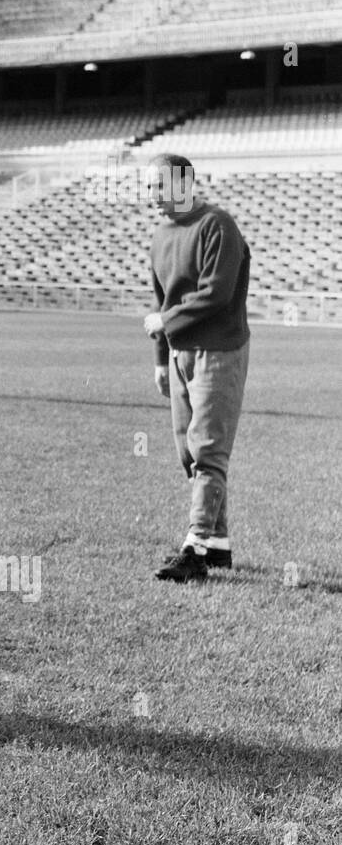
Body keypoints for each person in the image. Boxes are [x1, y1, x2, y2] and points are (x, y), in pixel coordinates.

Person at [144, 153, 251, 583]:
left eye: (158, 186)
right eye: (148, 187)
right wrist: (159, 360)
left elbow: (217, 293)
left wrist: (167, 322)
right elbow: (161, 301)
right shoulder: (159, 235)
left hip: (219, 351)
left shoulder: (217, 225)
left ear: (184, 183)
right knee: (188, 454)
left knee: (207, 450)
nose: (150, 195)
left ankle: (194, 547)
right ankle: (218, 545)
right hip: (178, 357)